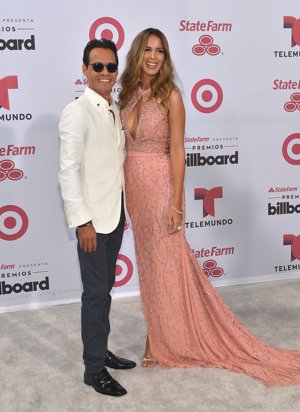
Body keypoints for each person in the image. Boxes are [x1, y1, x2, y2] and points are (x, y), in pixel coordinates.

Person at [119, 28, 300, 387]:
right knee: (152, 268)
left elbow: (177, 150)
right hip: (134, 190)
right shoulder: (125, 94)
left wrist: (176, 204)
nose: (153, 57)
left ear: (165, 57)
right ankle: (158, 336)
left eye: (160, 51)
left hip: (159, 187)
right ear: (137, 54)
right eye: (148, 50)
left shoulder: (170, 96)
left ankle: (165, 342)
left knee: (168, 266)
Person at [58, 38, 136, 397]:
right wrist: (82, 222)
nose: (105, 73)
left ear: (116, 71)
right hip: (92, 221)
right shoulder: (77, 111)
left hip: (114, 215)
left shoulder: (114, 107)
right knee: (94, 295)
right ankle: (93, 369)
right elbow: (68, 171)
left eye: (111, 67)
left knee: (103, 292)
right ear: (86, 70)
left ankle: (100, 350)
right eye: (98, 67)